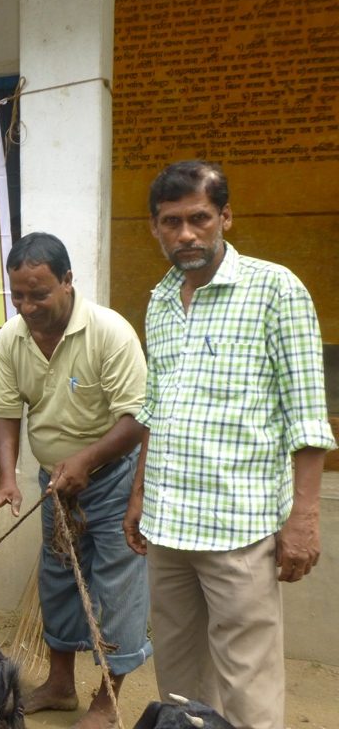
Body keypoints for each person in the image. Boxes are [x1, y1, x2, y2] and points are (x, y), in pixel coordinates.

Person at [123, 160, 335, 729]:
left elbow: (308, 418)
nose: (186, 234)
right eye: (172, 222)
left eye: (199, 218)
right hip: (168, 526)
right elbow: (156, 410)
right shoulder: (161, 301)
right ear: (155, 228)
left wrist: (304, 519)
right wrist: (140, 494)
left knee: (248, 684)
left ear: (226, 218)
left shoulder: (275, 289)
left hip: (239, 527)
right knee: (180, 680)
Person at [0, 233, 150, 729]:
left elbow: (137, 418)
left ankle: (107, 702)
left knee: (115, 586)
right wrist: (6, 479)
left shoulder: (109, 333)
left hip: (114, 477)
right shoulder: (12, 337)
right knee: (58, 580)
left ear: (69, 281)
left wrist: (86, 460)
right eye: (19, 295)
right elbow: (5, 412)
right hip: (56, 481)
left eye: (40, 293)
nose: (28, 306)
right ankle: (59, 685)